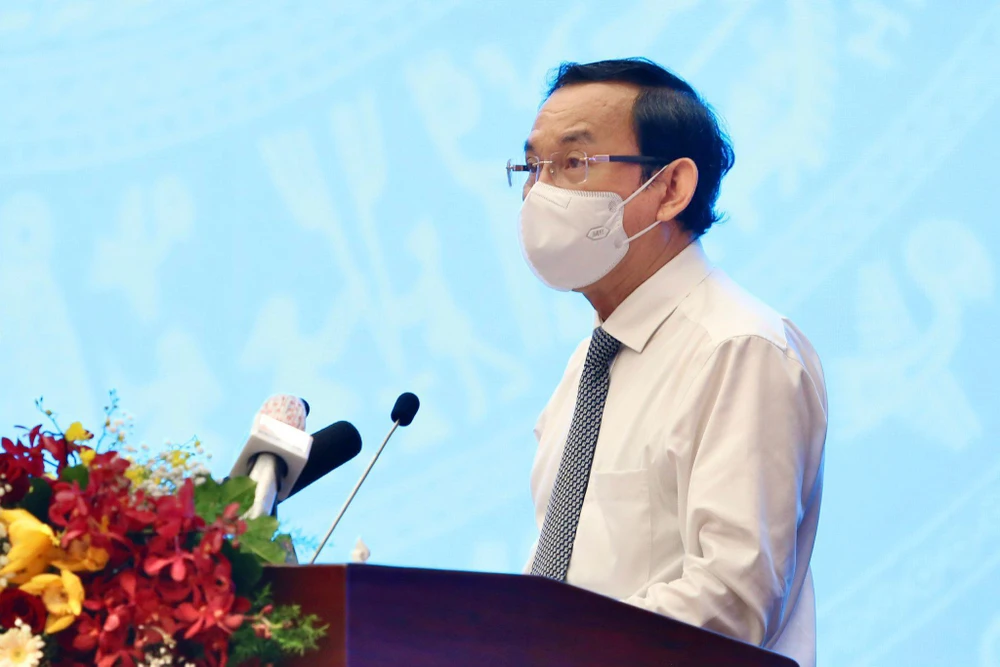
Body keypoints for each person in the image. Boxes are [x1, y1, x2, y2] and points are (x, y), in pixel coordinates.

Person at [511, 58, 827, 667]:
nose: (539, 193)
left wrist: (557, 650)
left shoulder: (738, 347)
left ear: (671, 188)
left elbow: (731, 601)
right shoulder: (591, 362)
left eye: (572, 163)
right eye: (531, 168)